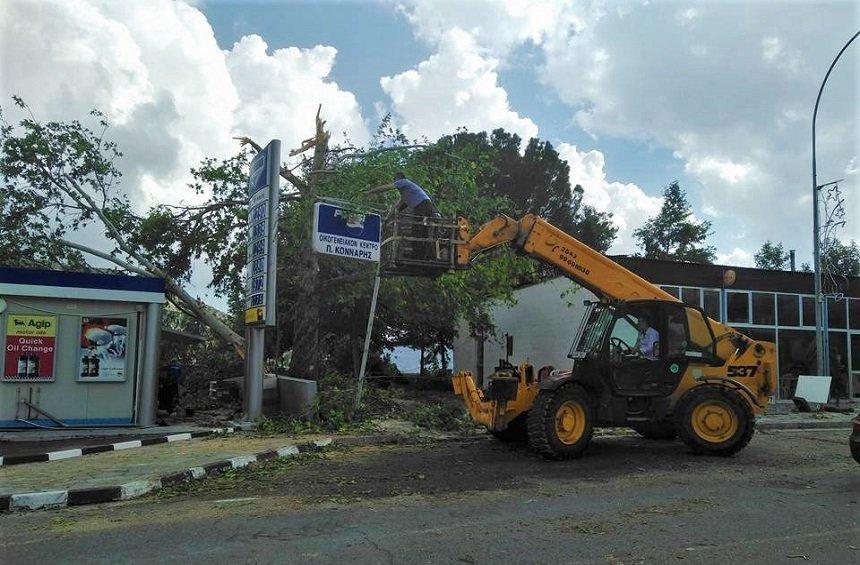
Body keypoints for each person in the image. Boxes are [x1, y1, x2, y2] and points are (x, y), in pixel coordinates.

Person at [365, 172, 441, 259]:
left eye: (394, 180)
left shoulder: (403, 181)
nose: (394, 182)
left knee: (417, 230)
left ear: (398, 178)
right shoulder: (407, 193)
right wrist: (388, 218)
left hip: (423, 206)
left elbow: (386, 188)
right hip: (425, 206)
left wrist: (370, 191)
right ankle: (422, 255)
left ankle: (418, 255)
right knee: (421, 231)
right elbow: (396, 207)